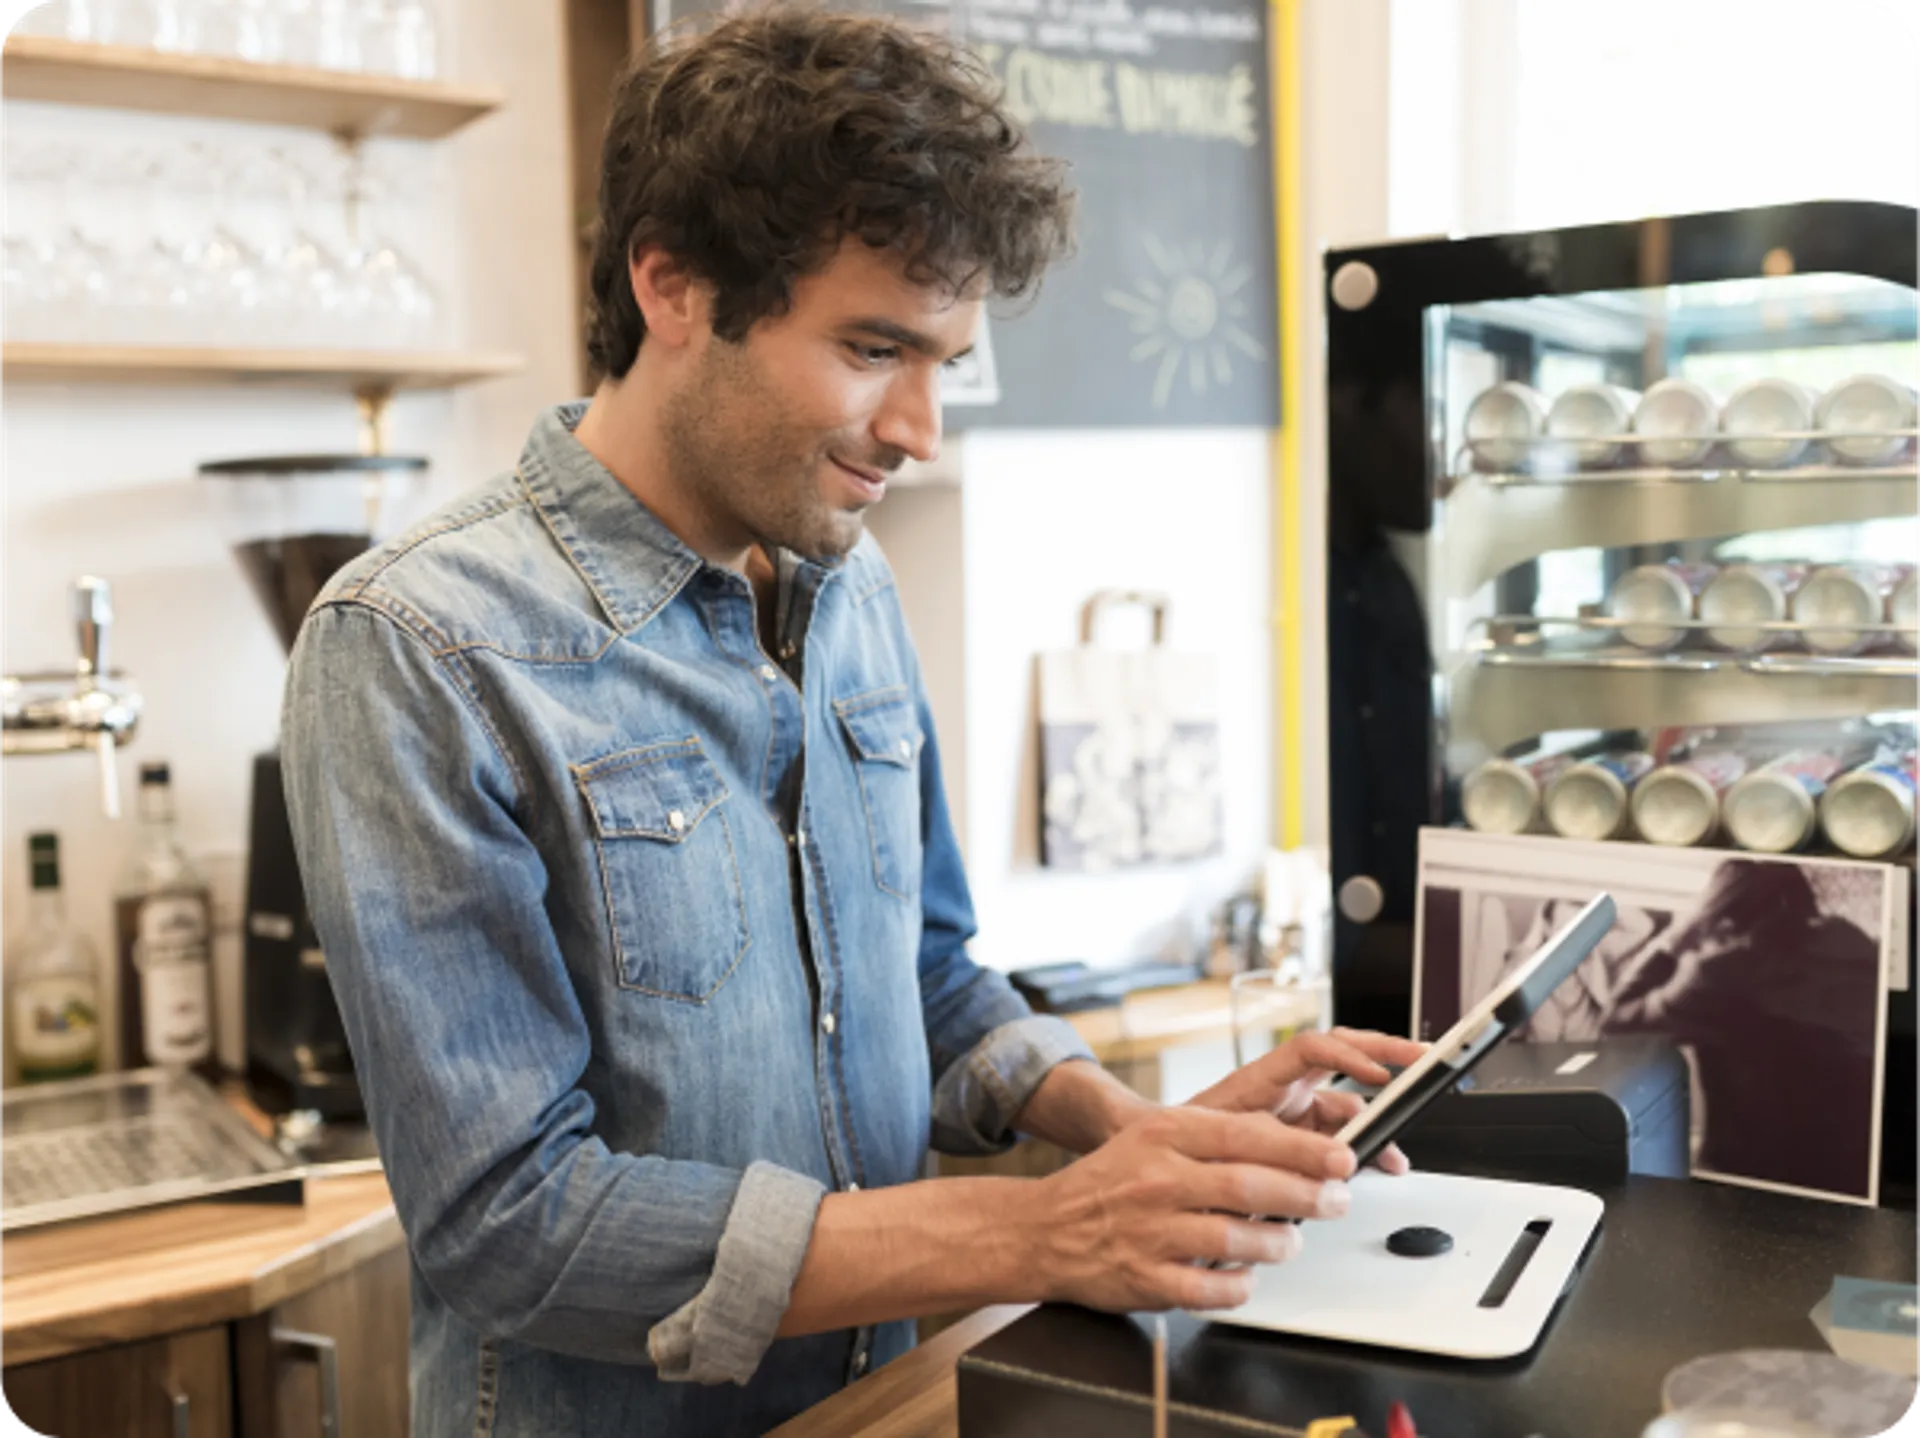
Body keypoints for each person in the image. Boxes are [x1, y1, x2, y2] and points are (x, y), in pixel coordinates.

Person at [282, 8, 1422, 1434]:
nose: (921, 425)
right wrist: (1044, 1230)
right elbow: (511, 1220)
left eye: (946, 357)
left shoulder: (846, 577)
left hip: (881, 1401)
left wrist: (1137, 1136)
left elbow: (928, 973)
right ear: (672, 286)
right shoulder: (415, 645)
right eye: (876, 347)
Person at [1604, 858, 1881, 1198]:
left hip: (1748, 1175)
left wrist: (1674, 938)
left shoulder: (1717, 975)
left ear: (1721, 909)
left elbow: (1615, 1024)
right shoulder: (1853, 944)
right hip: (1847, 1171)